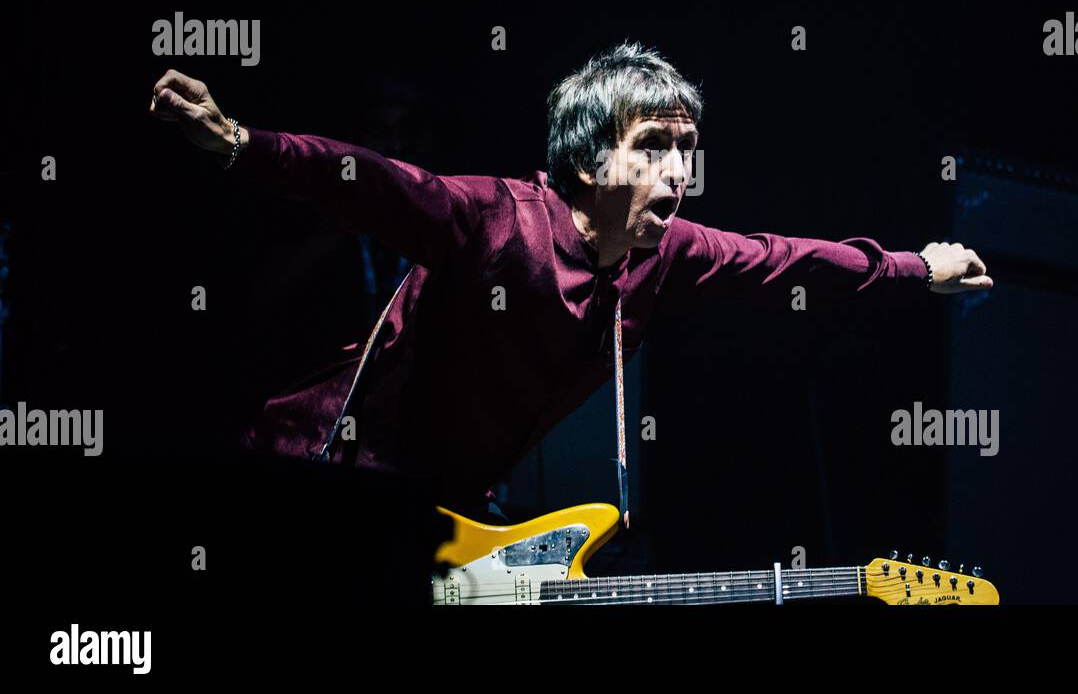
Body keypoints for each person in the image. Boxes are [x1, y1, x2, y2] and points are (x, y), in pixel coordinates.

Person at [148, 41, 992, 516]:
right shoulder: (494, 217)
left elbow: (786, 260)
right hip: (320, 473)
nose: (677, 174)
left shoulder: (670, 255)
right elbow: (369, 181)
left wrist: (918, 268)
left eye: (687, 152)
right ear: (588, 162)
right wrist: (240, 144)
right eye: (653, 146)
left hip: (451, 514)